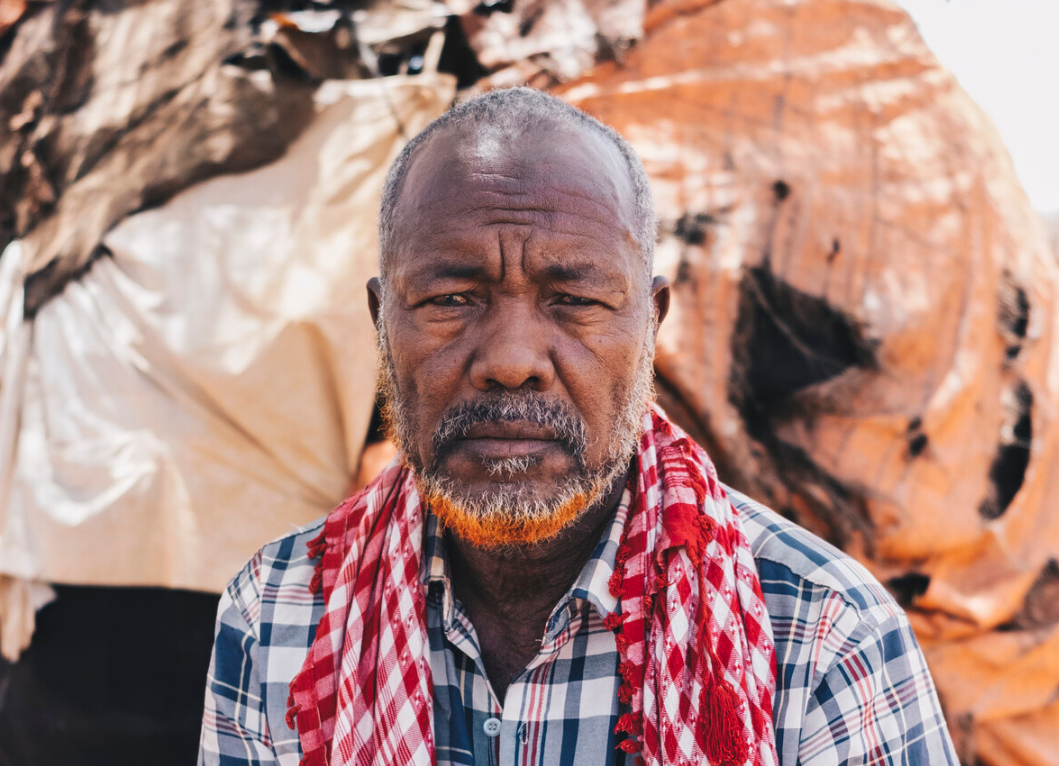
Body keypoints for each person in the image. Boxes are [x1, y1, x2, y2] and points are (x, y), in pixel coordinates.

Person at [198, 88, 959, 766]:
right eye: (452, 298)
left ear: (650, 327)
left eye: (575, 300)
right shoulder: (279, 615)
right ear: (381, 322)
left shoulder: (821, 635)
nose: (511, 360)